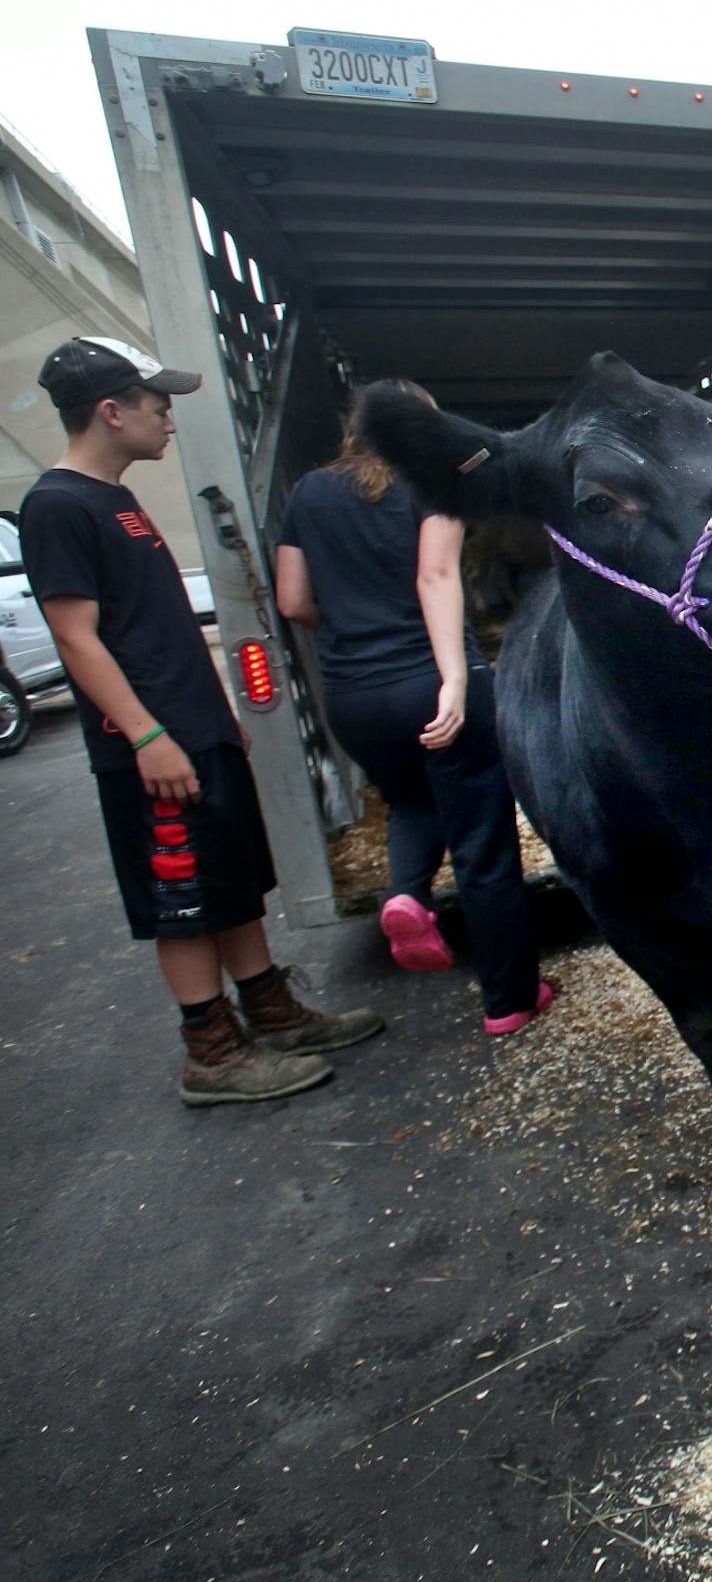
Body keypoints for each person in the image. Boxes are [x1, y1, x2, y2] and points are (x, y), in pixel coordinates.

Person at [19, 337, 382, 1105]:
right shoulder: (57, 505)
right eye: (157, 403)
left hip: (193, 732)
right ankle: (211, 1050)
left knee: (233, 879)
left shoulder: (115, 498)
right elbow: (75, 637)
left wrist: (212, 718)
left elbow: (149, 627)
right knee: (181, 902)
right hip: (149, 746)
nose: (168, 416)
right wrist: (148, 737)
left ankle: (272, 1012)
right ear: (111, 411)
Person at [274, 384, 552, 1037]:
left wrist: (347, 629)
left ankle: (408, 895)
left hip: (354, 695)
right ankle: (509, 999)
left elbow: (290, 602)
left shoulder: (308, 493)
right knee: (483, 848)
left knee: (408, 802)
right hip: (429, 681)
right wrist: (454, 679)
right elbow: (435, 576)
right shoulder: (437, 484)